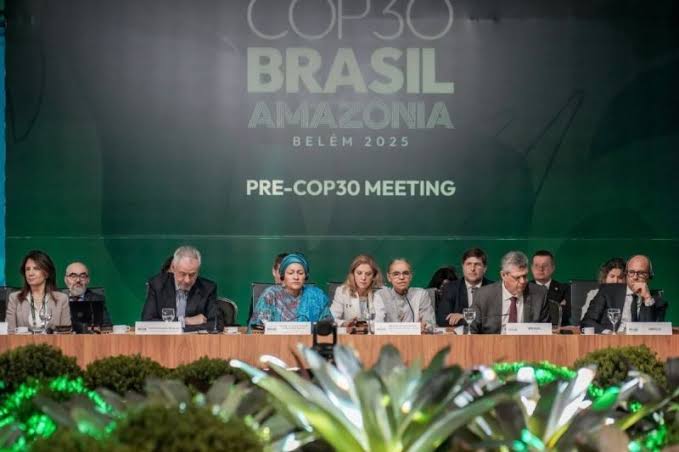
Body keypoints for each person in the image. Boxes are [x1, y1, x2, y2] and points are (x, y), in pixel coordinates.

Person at [581, 255, 667, 333]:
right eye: (631, 272)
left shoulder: (658, 302)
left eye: (641, 273)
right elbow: (587, 322)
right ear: (626, 274)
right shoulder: (607, 291)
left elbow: (655, 332)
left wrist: (647, 298)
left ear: (650, 276)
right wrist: (609, 334)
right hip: (610, 341)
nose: (635, 277)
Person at [141, 246, 219, 330]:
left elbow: (216, 324)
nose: (187, 280)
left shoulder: (208, 288)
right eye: (182, 274)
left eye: (192, 274)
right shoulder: (157, 285)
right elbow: (147, 322)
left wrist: (173, 325)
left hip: (194, 338)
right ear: (173, 268)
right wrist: (184, 321)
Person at [470, 251, 549, 334]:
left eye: (525, 276)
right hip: (493, 342)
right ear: (503, 275)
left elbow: (545, 333)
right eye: (517, 277)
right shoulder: (483, 295)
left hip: (527, 342)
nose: (522, 281)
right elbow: (471, 330)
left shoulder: (540, 294)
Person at [249, 253, 331, 327]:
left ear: (306, 276)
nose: (296, 277)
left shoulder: (317, 297)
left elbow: (329, 327)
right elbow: (257, 329)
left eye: (300, 273)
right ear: (283, 276)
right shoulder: (270, 295)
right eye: (290, 273)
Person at [7, 250, 71, 332]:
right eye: (27, 269)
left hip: (53, 340)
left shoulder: (61, 299)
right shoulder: (15, 298)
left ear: (47, 273)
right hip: (23, 341)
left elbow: (66, 333)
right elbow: (9, 332)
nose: (30, 273)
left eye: (36, 268)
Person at [436, 248, 493, 326]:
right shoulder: (450, 288)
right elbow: (442, 319)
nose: (472, 269)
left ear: (485, 269)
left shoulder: (494, 289)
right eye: (469, 264)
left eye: (477, 264)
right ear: (463, 267)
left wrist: (465, 316)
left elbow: (496, 320)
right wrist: (476, 319)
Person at [373, 258, 435, 330]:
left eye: (405, 273)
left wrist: (426, 326)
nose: (401, 277)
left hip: (415, 337)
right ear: (389, 277)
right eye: (396, 274)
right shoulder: (381, 295)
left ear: (410, 276)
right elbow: (377, 326)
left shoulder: (421, 294)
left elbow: (430, 324)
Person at [330, 254, 384, 326]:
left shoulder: (378, 293)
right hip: (349, 332)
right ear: (353, 274)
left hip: (371, 333)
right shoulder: (342, 292)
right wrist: (344, 323)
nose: (363, 278)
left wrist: (361, 325)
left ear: (374, 276)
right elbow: (332, 318)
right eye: (359, 273)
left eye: (368, 274)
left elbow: (380, 321)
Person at [64, 261, 112, 329]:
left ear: (88, 280)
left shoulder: (96, 299)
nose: (78, 280)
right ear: (66, 280)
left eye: (82, 276)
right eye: (73, 276)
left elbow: (107, 326)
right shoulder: (58, 300)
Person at [530, 250, 571, 326]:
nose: (540, 269)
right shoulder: (524, 288)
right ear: (531, 268)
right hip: (529, 331)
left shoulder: (564, 289)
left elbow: (566, 315)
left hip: (557, 331)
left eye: (545, 265)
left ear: (552, 268)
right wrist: (555, 308)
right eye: (536, 265)